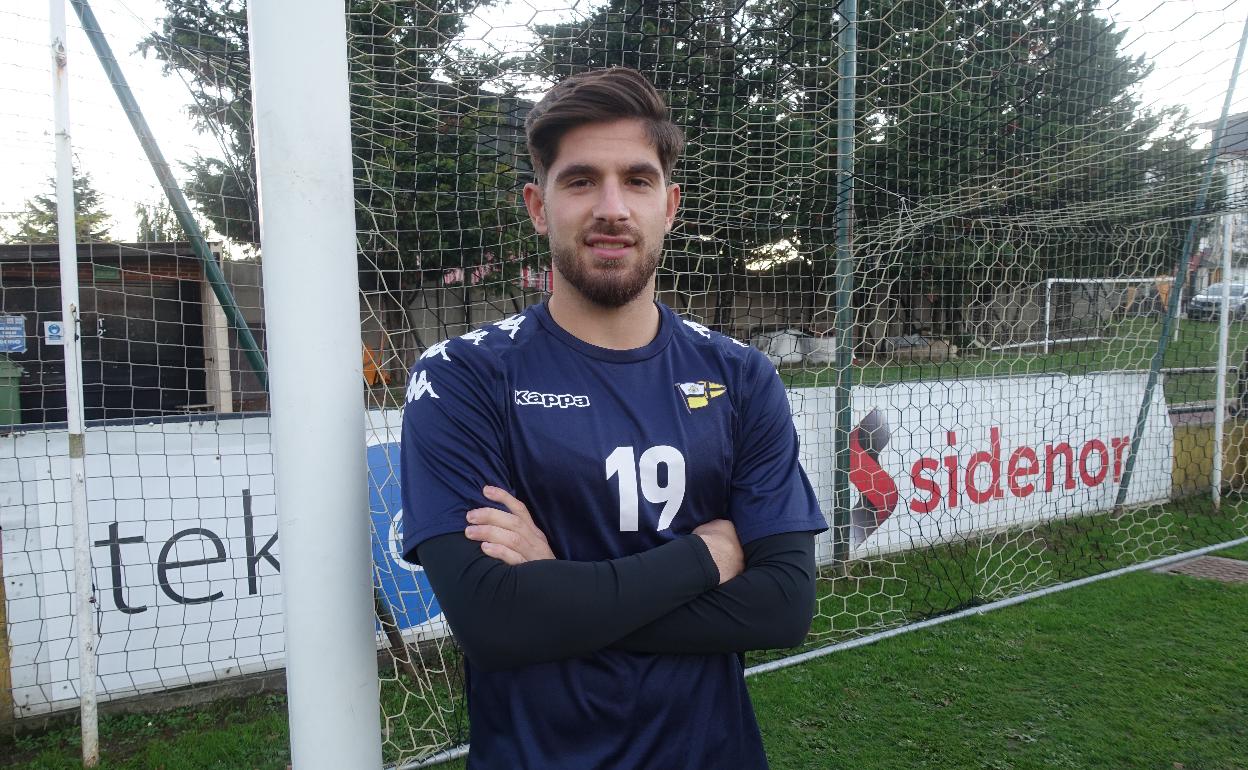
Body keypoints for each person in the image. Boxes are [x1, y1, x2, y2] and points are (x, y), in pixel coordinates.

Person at [399, 67, 827, 769]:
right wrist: (704, 557)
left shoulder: (742, 377)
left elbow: (782, 607)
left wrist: (558, 585)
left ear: (670, 204)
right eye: (580, 181)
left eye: (636, 179)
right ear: (539, 206)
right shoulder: (462, 376)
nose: (611, 207)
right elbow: (494, 622)